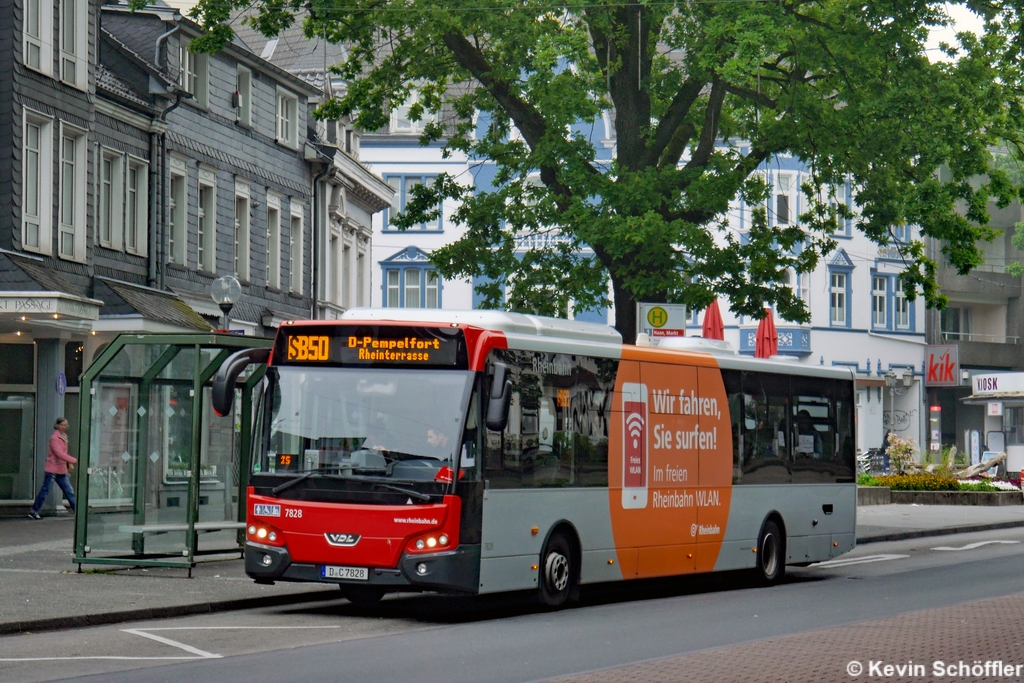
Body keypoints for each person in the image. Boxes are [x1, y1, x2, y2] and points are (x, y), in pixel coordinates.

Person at [28, 418, 77, 519]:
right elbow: (59, 453)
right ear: (57, 425)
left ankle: (78, 511)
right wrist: (72, 460)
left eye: (65, 425)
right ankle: (34, 511)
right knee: (45, 491)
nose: (64, 427)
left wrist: (68, 461)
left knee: (69, 491)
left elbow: (64, 453)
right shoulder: (54, 438)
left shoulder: (64, 437)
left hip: (61, 469)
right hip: (52, 469)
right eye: (62, 425)